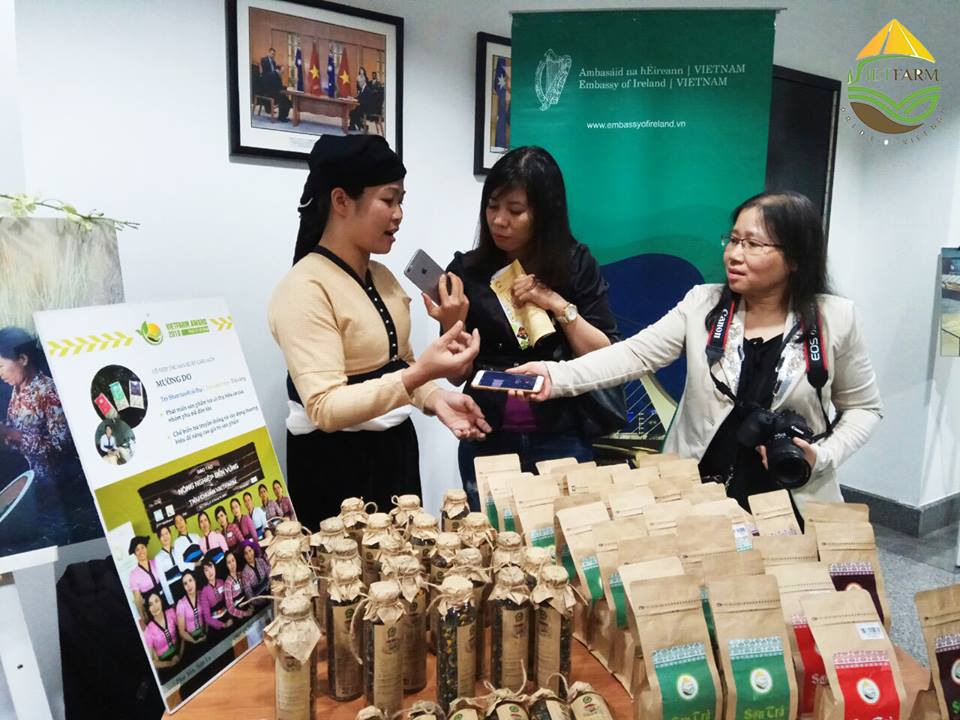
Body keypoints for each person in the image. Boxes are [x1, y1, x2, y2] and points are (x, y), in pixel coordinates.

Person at [512, 191, 882, 517]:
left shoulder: (836, 318)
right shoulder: (703, 303)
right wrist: (554, 375)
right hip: (697, 492)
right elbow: (635, 355)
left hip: (791, 498)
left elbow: (864, 409)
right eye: (733, 240)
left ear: (796, 258)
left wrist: (823, 456)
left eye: (753, 244)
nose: (734, 254)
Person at [268, 134, 490, 526]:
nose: (399, 214)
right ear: (341, 201)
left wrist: (437, 399)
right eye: (388, 200)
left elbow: (399, 365)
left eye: (401, 200)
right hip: (335, 468)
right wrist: (422, 374)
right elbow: (325, 408)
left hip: (395, 453)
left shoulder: (383, 277)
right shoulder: (304, 288)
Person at [424, 146, 621, 508]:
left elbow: (604, 357)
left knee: (564, 532)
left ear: (544, 213)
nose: (499, 220)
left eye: (515, 211)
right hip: (487, 433)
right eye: (492, 206)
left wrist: (555, 303)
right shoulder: (468, 271)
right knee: (489, 535)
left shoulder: (575, 265)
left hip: (562, 435)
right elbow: (456, 376)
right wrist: (451, 325)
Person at [0, 327, 88, 524]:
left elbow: (61, 449)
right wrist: (5, 432)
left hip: (51, 486)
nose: (0, 373)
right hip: (25, 474)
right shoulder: (18, 388)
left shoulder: (48, 392)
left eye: (1, 366)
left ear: (22, 359)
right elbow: (18, 429)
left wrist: (13, 434)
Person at [143, 591, 181, 681]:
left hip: (181, 652)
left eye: (156, 601)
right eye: (151, 604)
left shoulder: (171, 613)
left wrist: (180, 654)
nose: (155, 607)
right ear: (148, 609)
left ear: (161, 601)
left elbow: (183, 633)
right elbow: (151, 662)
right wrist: (170, 663)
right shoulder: (148, 630)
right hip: (166, 664)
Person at [127, 535, 163, 623]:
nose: (141, 551)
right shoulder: (133, 574)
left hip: (164, 600)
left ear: (146, 548)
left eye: (142, 547)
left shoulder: (156, 562)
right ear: (135, 554)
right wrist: (143, 615)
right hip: (151, 608)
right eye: (137, 550)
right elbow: (138, 599)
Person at [175, 570, 206, 660]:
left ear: (195, 581)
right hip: (191, 640)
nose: (189, 585)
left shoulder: (202, 594)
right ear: (183, 587)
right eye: (185, 583)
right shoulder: (181, 604)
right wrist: (194, 641)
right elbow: (181, 632)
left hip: (205, 634)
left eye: (190, 580)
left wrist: (206, 633)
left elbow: (207, 616)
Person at [259, 47, 291, 122]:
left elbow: (276, 72)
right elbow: (266, 72)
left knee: (285, 95)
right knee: (283, 98)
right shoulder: (264, 60)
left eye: (274, 54)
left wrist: (278, 72)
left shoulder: (273, 62)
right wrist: (276, 72)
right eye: (272, 54)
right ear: (268, 53)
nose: (273, 55)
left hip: (273, 83)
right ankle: (281, 117)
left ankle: (282, 116)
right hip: (267, 84)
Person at [153, 524, 182, 606]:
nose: (165, 537)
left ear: (170, 534)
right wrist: (171, 601)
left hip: (185, 583)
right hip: (173, 589)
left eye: (166, 533)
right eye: (162, 535)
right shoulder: (158, 558)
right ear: (159, 538)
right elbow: (163, 581)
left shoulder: (177, 550)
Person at [239, 541, 271, 608]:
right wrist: (259, 601)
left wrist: (271, 587)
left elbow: (269, 574)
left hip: (269, 589)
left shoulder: (260, 561)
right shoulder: (245, 573)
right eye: (246, 553)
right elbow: (248, 593)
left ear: (253, 550)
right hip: (258, 599)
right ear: (243, 556)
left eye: (250, 551)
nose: (249, 555)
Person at [223, 551, 252, 622]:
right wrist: (245, 613)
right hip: (240, 614)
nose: (232, 564)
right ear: (226, 565)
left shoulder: (241, 574)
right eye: (229, 562)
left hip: (249, 605)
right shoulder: (227, 583)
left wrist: (252, 605)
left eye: (233, 560)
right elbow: (230, 608)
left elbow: (248, 590)